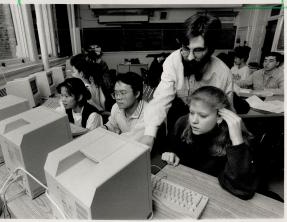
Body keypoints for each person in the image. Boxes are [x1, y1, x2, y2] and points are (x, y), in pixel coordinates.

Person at [140, 13, 233, 148]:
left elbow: (227, 115)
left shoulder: (222, 73)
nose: (189, 57)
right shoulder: (174, 60)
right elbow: (161, 99)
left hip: (210, 134)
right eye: (185, 48)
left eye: (198, 50)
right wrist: (149, 135)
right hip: (181, 122)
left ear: (211, 49)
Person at [161, 86, 257, 200]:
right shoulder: (182, 123)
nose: (193, 120)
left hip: (218, 198)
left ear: (219, 117)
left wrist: (236, 139)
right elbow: (170, 147)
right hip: (186, 191)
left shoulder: (236, 140)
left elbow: (242, 190)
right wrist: (170, 154)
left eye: (203, 116)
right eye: (192, 113)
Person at [102, 72, 147, 141]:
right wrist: (104, 128)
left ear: (137, 93)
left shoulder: (148, 113)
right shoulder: (116, 107)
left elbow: (133, 138)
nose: (118, 98)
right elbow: (112, 125)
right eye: (116, 93)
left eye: (123, 93)